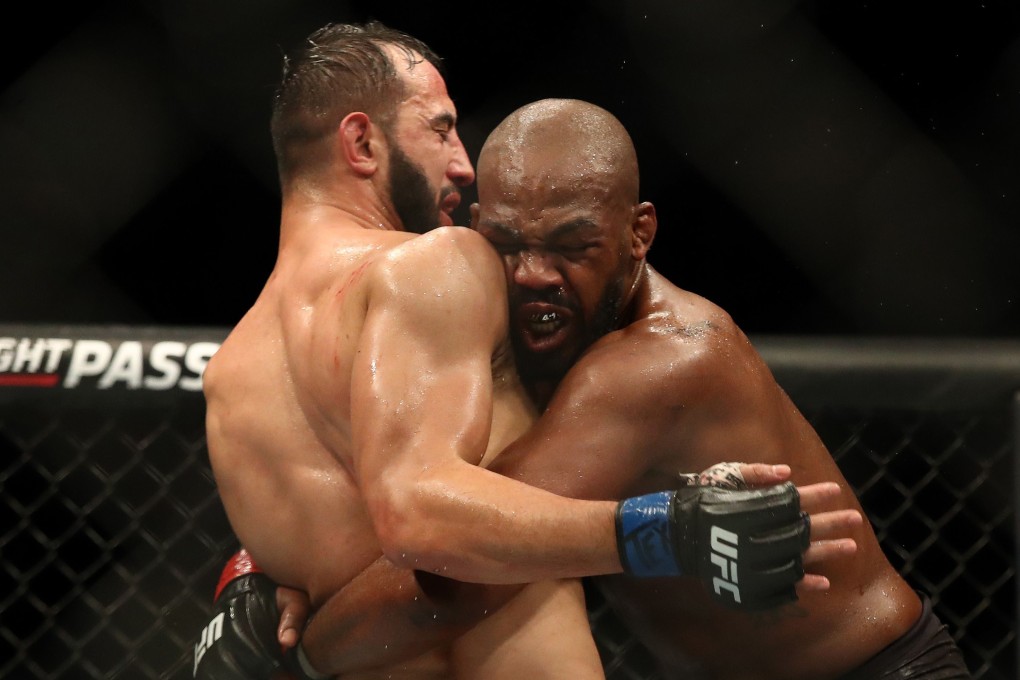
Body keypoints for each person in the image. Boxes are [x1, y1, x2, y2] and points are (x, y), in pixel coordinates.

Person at [191, 21, 859, 680]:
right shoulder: (435, 264)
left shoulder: (231, 374)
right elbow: (415, 514)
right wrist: (665, 530)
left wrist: (257, 588)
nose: (462, 165)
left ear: (638, 232)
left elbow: (354, 511)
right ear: (362, 142)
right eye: (440, 129)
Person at [288, 99, 973, 679]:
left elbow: (459, 574)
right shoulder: (516, 332)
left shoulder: (661, 363)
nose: (532, 273)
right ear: (475, 229)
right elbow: (389, 462)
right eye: (508, 242)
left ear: (638, 233)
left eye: (571, 246)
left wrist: (294, 653)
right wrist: (279, 564)